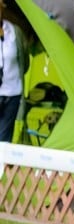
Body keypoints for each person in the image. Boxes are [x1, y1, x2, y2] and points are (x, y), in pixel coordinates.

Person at [0, 1, 29, 143]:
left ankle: (2, 164)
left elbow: (25, 62)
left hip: (12, 94)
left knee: (4, 138)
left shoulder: (15, 31)